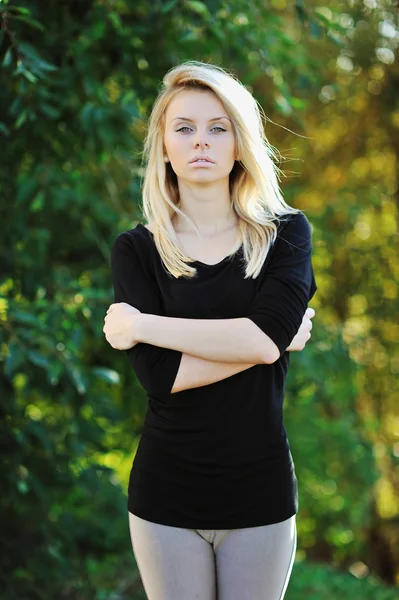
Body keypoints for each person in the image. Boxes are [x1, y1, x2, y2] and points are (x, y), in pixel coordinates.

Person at [103, 60, 317, 600]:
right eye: (185, 128)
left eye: (218, 127)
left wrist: (142, 324)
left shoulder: (286, 235)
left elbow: (264, 338)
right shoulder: (137, 250)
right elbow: (160, 375)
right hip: (165, 493)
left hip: (259, 490)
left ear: (240, 143)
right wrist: (262, 342)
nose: (201, 141)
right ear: (165, 146)